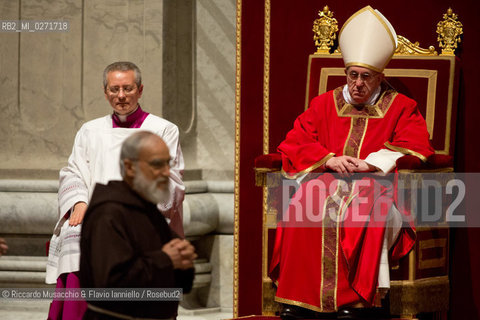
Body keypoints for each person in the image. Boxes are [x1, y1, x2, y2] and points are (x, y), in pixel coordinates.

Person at [269, 6, 434, 320]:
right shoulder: (325, 103)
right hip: (326, 179)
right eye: (353, 75)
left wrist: (370, 165)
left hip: (379, 186)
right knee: (304, 200)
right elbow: (296, 138)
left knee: (363, 207)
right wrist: (329, 159)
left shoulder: (400, 105)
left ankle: (356, 301)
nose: (357, 83)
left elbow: (416, 144)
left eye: (366, 77)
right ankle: (298, 299)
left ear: (379, 76)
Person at [46, 61, 185, 319]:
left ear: (140, 90)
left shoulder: (163, 129)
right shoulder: (90, 130)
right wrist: (78, 202)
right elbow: (73, 171)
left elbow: (171, 179)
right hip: (95, 216)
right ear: (105, 91)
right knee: (76, 236)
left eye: (128, 88)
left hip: (142, 217)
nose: (121, 96)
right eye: (114, 89)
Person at [80, 131, 196, 320]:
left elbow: (179, 283)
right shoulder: (108, 213)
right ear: (130, 167)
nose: (167, 172)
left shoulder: (146, 209)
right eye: (158, 164)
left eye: (169, 163)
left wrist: (184, 259)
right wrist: (166, 260)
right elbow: (111, 285)